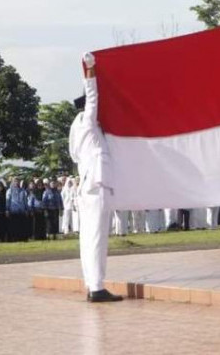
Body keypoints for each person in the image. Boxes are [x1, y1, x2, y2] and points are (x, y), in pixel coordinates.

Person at [69, 52, 123, 303]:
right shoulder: (87, 122)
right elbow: (93, 96)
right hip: (96, 184)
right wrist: (90, 69)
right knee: (98, 237)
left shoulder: (75, 130)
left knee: (88, 237)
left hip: (87, 186)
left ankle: (92, 284)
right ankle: (98, 287)